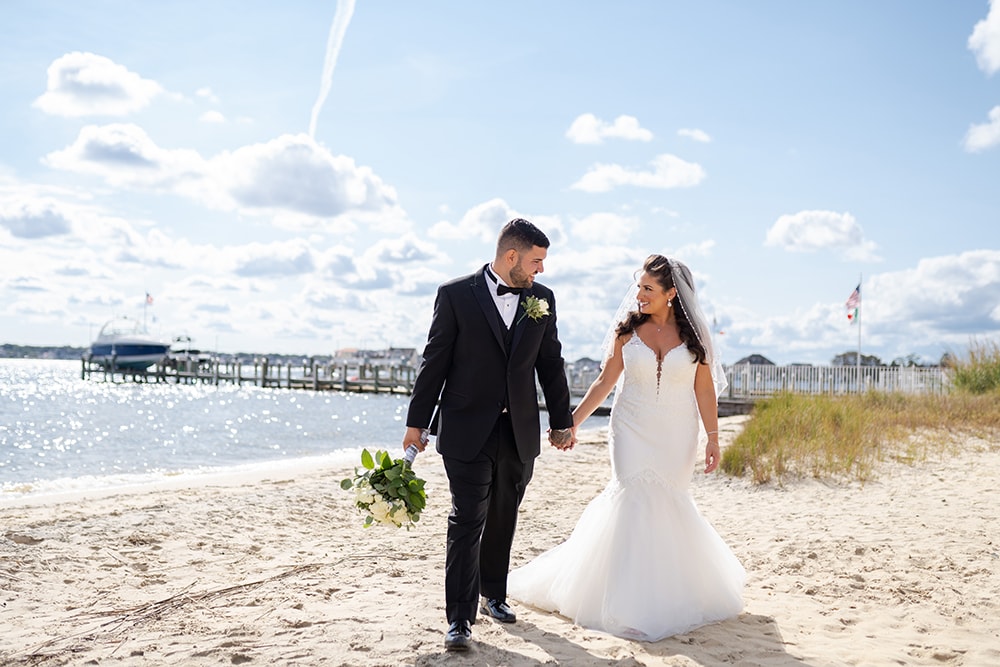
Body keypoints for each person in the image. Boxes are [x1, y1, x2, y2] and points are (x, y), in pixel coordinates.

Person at [506, 254, 745, 641]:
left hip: (676, 433)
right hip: (630, 428)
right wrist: (570, 423)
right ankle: (626, 604)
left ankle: (668, 594)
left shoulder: (695, 339)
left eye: (648, 289)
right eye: (639, 287)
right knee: (632, 499)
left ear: (671, 294)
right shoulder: (627, 332)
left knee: (669, 503)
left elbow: (704, 390)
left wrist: (713, 438)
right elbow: (604, 382)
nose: (639, 295)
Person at [403, 218, 576, 651]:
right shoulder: (455, 295)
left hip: (518, 429)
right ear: (511, 256)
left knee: (504, 514)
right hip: (465, 428)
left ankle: (493, 594)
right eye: (536, 261)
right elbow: (434, 362)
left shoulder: (543, 299)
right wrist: (416, 423)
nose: (541, 270)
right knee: (467, 518)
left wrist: (561, 421)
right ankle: (459, 619)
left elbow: (550, 364)